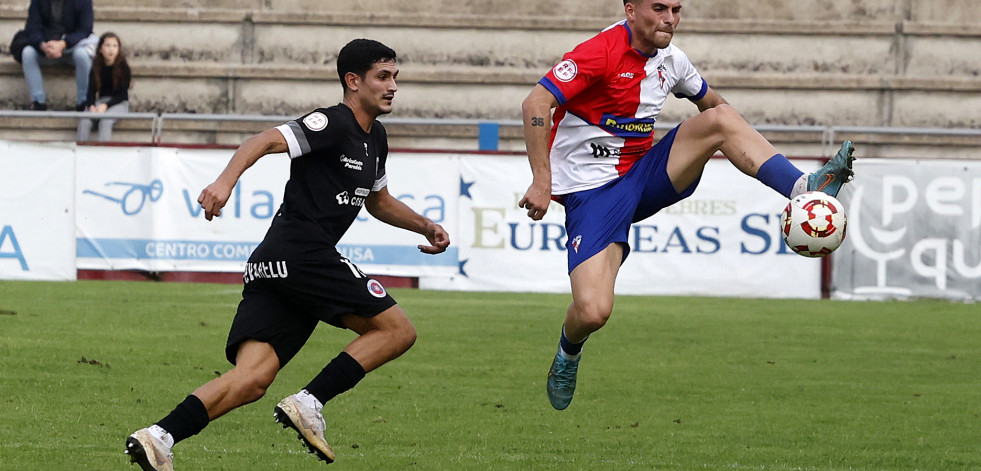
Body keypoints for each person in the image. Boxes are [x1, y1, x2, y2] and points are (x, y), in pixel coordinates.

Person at [124, 38, 450, 471]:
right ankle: (310, 400)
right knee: (397, 331)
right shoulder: (331, 123)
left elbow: (379, 201)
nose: (392, 86)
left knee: (252, 379)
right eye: (383, 76)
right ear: (353, 81)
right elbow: (260, 141)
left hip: (276, 264)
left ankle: (159, 436)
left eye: (395, 77)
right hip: (302, 254)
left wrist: (425, 225)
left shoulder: (377, 139)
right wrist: (224, 183)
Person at [518, 0, 856, 411]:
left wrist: (743, 145)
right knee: (592, 311)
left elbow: (715, 108)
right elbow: (536, 104)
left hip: (646, 175)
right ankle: (568, 354)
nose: (670, 19)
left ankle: (804, 187)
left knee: (720, 117)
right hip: (593, 193)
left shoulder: (673, 61)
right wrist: (541, 180)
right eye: (659, 8)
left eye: (677, 9)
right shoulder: (599, 52)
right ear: (630, 10)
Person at [20, 0, 98, 111]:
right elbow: (32, 28)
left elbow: (85, 29)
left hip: (73, 47)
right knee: (27, 53)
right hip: (47, 47)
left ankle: (83, 101)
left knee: (83, 55)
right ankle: (38, 101)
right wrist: (42, 45)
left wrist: (64, 43)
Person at [77, 32, 131, 142]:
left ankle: (103, 152)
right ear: (100, 49)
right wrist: (91, 105)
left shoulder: (123, 68)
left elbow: (121, 95)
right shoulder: (96, 66)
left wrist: (106, 106)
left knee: (105, 121)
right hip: (101, 101)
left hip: (119, 103)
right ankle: (81, 150)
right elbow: (91, 91)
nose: (111, 50)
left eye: (115, 46)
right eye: (107, 45)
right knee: (85, 119)